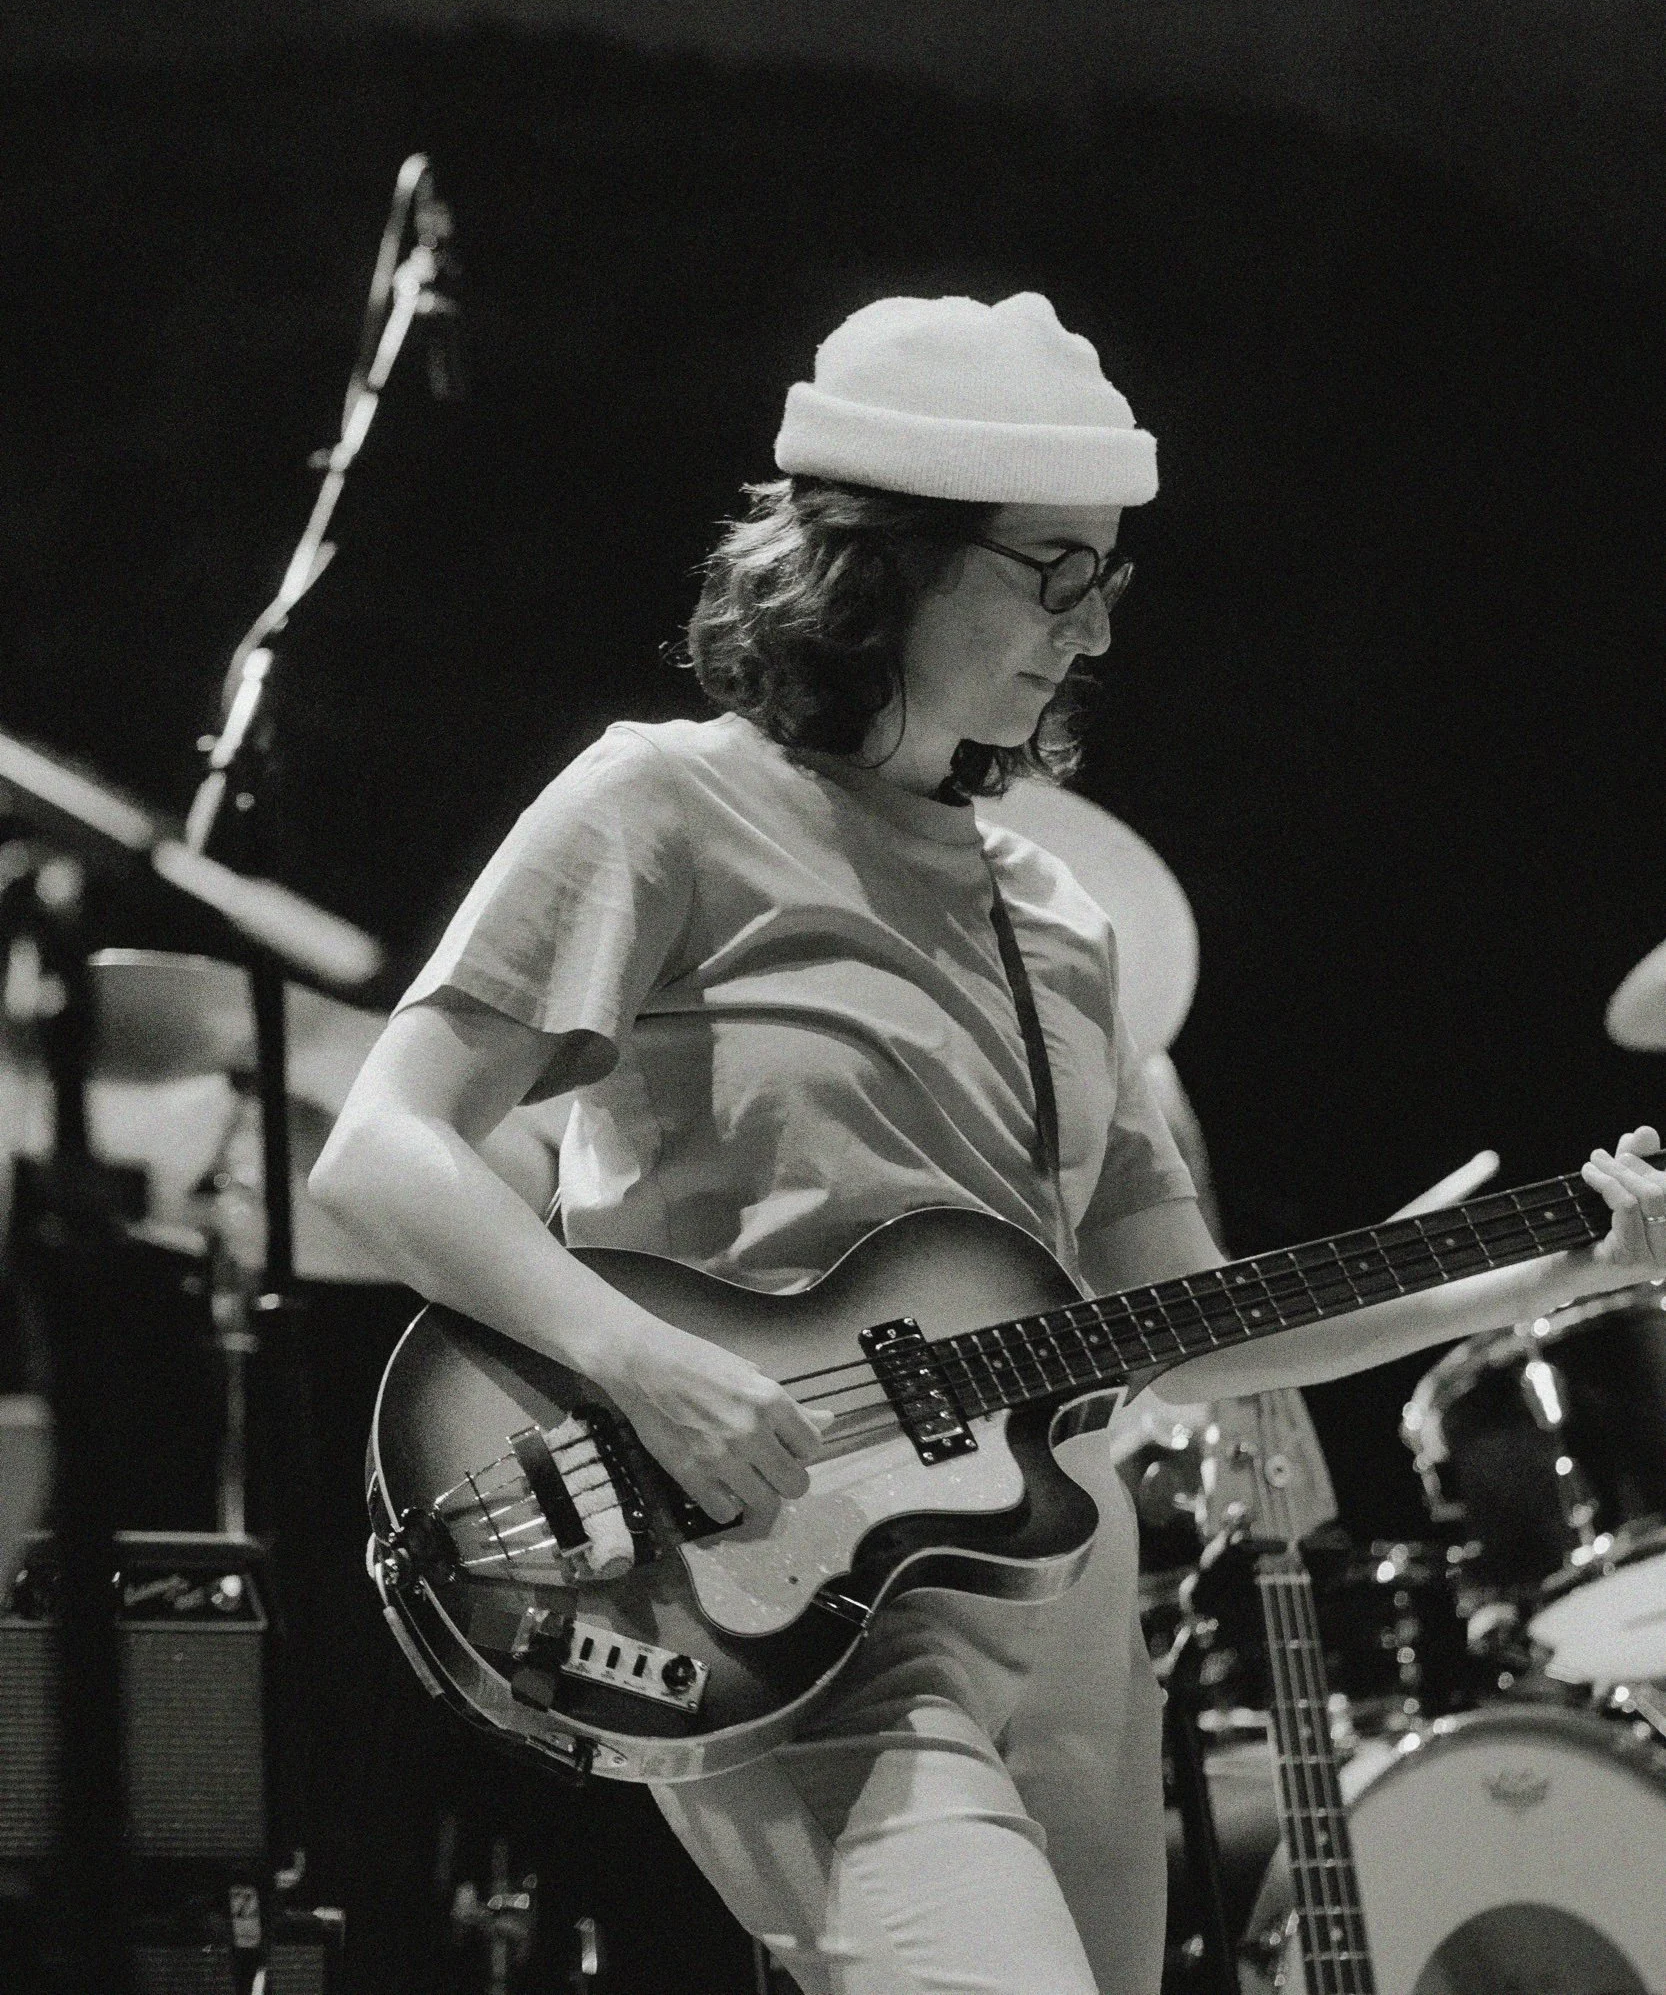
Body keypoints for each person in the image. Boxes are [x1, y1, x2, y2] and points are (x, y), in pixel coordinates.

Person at [310, 291, 1665, 1995]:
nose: (1090, 631)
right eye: (1051, 571)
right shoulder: (661, 806)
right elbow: (383, 1151)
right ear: (877, 562)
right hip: (776, 1596)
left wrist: (1558, 1264)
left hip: (1072, 1618)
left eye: (1108, 580)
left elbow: (1189, 1323)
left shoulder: (1059, 920)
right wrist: (644, 1367)